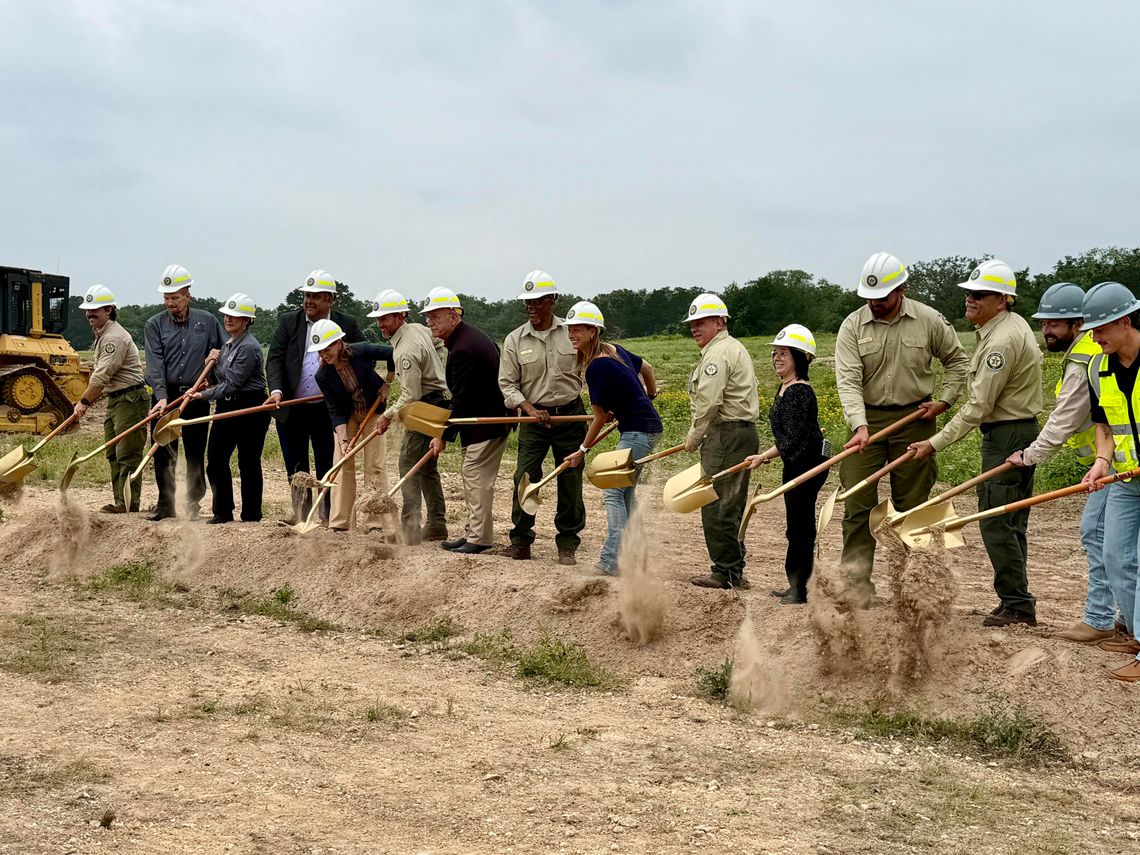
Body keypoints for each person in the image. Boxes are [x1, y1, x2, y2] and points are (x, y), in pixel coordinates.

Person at [909, 259, 1043, 627]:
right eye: (968, 293)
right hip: (1016, 430)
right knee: (1011, 521)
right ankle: (1015, 599)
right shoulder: (1007, 328)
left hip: (1006, 435)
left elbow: (977, 407)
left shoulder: (1002, 340)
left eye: (979, 294)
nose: (970, 299)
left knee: (996, 520)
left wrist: (933, 443)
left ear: (1002, 300)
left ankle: (1016, 604)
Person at [834, 251, 969, 601]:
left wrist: (944, 401)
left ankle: (915, 588)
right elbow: (848, 380)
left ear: (902, 290)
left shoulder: (929, 319)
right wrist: (859, 424)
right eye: (869, 298)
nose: (874, 304)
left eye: (882, 298)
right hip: (867, 422)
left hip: (915, 420)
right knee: (858, 503)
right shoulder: (852, 326)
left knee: (913, 506)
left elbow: (957, 362)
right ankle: (856, 585)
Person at [1007, 283, 1115, 644]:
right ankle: (1127, 618)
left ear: (1078, 323)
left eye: (1055, 323)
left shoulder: (1085, 356)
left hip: (1115, 464)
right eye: (1044, 323)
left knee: (1098, 535)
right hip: (1111, 460)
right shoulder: (1090, 350)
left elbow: (1065, 418)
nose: (1047, 330)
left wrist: (1029, 456)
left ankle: (1101, 619)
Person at [562, 300, 662, 575]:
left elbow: (598, 417)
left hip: (638, 431)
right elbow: (648, 369)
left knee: (613, 492)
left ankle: (611, 562)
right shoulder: (614, 351)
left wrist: (582, 450)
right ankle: (635, 559)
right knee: (626, 495)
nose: (572, 334)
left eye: (578, 330)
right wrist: (647, 399)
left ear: (593, 331)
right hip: (646, 426)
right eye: (569, 330)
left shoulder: (597, 366)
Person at [498, 270, 588, 565]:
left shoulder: (572, 333)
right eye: (527, 302)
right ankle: (521, 539)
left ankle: (567, 543)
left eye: (537, 301)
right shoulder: (514, 340)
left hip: (571, 416)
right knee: (524, 476)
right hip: (533, 420)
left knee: (570, 479)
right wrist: (529, 409)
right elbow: (507, 384)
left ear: (553, 300)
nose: (531, 307)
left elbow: (593, 367)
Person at [266, 270, 364, 525]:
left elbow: (364, 357)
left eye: (316, 296)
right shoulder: (290, 321)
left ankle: (326, 514)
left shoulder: (348, 324)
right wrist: (276, 390)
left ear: (330, 299)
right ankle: (300, 514)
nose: (309, 301)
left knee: (325, 462)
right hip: (292, 407)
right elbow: (274, 359)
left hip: (327, 408)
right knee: (295, 464)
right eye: (306, 295)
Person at [1079, 281, 1140, 682]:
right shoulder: (1097, 367)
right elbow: (1104, 425)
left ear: (1124, 321)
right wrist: (1102, 461)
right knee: (1117, 557)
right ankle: (1137, 635)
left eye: (1100, 330)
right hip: (1125, 478)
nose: (1094, 338)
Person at [422, 287, 510, 554]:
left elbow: (461, 400)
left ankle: (480, 538)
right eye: (428, 317)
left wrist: (442, 435)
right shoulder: (469, 338)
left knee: (475, 476)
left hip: (485, 422)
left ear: (453, 315)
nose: (429, 322)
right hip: (483, 422)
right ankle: (473, 532)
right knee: (473, 476)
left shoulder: (464, 348)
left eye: (435, 316)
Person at [744, 324, 827, 604]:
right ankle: (795, 583)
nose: (777, 358)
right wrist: (762, 456)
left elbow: (792, 439)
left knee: (801, 527)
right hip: (794, 463)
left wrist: (763, 456)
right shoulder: (785, 388)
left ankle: (800, 588)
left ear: (800, 358)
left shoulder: (799, 393)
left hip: (807, 466)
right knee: (795, 526)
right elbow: (789, 439)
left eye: (784, 354)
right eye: (775, 354)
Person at [683, 292, 760, 589]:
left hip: (726, 433)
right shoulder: (731, 348)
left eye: (701, 322)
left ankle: (725, 571)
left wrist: (695, 434)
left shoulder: (718, 354)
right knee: (731, 502)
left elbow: (709, 401)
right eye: (692, 323)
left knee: (717, 503)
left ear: (719, 321)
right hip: (737, 432)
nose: (694, 328)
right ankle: (733, 568)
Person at [144, 264, 224, 521]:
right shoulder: (154, 324)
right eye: (166, 298)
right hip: (164, 398)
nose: (170, 303)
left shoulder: (208, 321)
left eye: (175, 298)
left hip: (196, 396)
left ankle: (192, 505)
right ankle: (166, 505)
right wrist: (161, 396)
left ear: (187, 295)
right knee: (164, 451)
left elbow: (226, 350)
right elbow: (154, 363)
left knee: (194, 452)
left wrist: (216, 362)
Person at [372, 289, 450, 544]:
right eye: (379, 319)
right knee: (426, 466)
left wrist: (388, 415)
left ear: (400, 316)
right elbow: (440, 344)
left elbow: (411, 394)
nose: (380, 324)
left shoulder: (406, 350)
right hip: (436, 399)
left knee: (408, 463)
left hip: (425, 404)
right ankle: (437, 524)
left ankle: (410, 528)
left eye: (385, 318)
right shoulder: (418, 329)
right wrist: (439, 370)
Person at [188, 293, 270, 524]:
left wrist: (201, 395)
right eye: (226, 316)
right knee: (215, 459)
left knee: (248, 462)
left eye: (235, 316)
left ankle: (251, 515)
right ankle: (223, 511)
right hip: (227, 406)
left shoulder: (249, 347)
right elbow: (219, 380)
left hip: (250, 407)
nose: (229, 320)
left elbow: (232, 383)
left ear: (246, 321)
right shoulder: (227, 345)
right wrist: (210, 363)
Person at [309, 317, 395, 533]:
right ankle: (340, 522)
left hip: (373, 412)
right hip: (348, 417)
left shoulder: (361, 351)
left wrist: (388, 383)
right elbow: (334, 410)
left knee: (373, 465)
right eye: (320, 351)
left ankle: (374, 523)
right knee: (341, 464)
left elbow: (393, 353)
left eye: (328, 348)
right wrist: (344, 440)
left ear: (339, 343)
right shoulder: (323, 375)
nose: (324, 354)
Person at [72, 284, 148, 515]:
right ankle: (120, 502)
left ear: (109, 310)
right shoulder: (103, 334)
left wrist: (84, 402)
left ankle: (128, 505)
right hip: (117, 400)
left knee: (127, 453)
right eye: (88, 310)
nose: (90, 314)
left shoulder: (114, 338)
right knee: (113, 452)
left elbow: (102, 375)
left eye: (95, 310)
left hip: (130, 399)